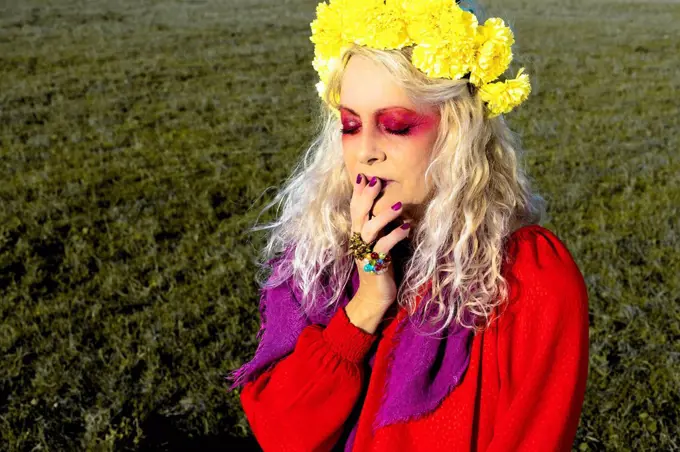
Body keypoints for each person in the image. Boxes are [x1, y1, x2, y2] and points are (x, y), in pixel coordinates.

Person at [226, 0, 590, 450]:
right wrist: (364, 305)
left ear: (458, 131)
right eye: (351, 124)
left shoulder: (528, 279)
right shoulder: (325, 250)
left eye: (396, 126)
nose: (365, 151)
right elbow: (282, 434)